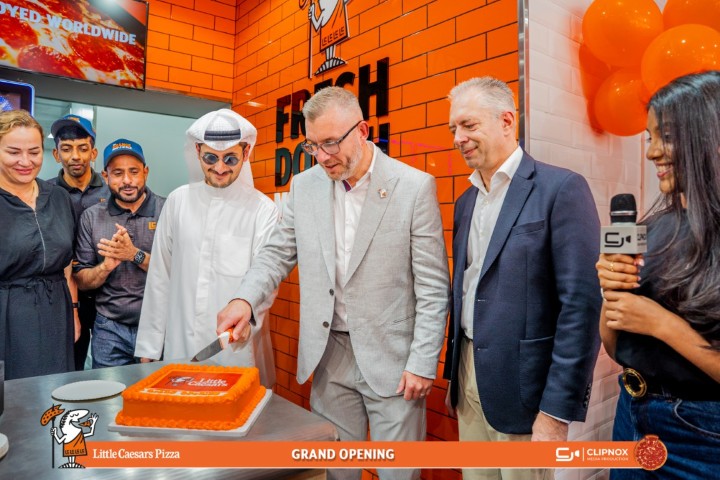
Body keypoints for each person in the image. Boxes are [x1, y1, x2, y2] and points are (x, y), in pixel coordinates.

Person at [217, 86, 450, 480]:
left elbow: (433, 286)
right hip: (329, 355)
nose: (322, 156)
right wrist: (245, 299)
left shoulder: (413, 187)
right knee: (337, 472)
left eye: (330, 143)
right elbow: (276, 253)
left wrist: (423, 362)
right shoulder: (305, 186)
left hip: (394, 361)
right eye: (312, 145)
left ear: (363, 130)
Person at [443, 77, 602, 480]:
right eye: (453, 129)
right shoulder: (465, 202)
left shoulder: (560, 189)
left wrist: (555, 412)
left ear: (507, 121)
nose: (458, 138)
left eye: (469, 125)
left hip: (526, 392)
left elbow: (581, 307)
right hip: (468, 378)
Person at [596, 71, 720, 479]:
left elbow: (652, 324)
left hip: (700, 434)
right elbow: (615, 345)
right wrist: (610, 291)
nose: (651, 152)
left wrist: (662, 324)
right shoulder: (646, 229)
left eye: (665, 136)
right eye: (649, 138)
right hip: (631, 413)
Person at [134, 109, 278, 387]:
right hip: (179, 343)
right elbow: (160, 276)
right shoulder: (177, 202)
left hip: (234, 347)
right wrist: (150, 345)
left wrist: (247, 322)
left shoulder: (263, 210)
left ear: (246, 153)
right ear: (198, 151)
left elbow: (266, 280)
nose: (220, 168)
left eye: (230, 159)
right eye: (211, 158)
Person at [73, 139, 165, 368]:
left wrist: (134, 254)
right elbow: (81, 280)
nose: (127, 180)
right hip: (109, 329)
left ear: (145, 172)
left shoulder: (167, 210)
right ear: (105, 176)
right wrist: (105, 267)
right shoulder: (92, 217)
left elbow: (180, 271)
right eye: (117, 173)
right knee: (109, 391)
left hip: (159, 325)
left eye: (134, 171)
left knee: (157, 389)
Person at [0, 109, 78, 380]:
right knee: (13, 394)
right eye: (13, 152)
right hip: (8, 312)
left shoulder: (58, 197)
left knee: (56, 389)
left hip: (56, 311)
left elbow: (67, 263)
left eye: (34, 152)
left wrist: (74, 312)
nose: (25, 161)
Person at [47, 113, 109, 371]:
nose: (75, 156)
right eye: (67, 148)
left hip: (105, 293)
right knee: (68, 368)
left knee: (107, 369)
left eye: (83, 148)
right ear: (56, 154)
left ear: (93, 153)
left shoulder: (111, 191)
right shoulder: (46, 193)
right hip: (62, 295)